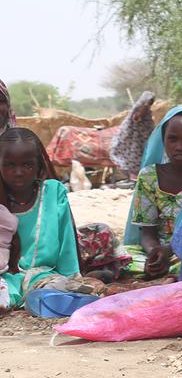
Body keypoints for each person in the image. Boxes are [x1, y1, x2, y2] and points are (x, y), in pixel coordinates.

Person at [0, 128, 94, 308]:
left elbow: (67, 242)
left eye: (27, 165)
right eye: (9, 165)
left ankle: (47, 299)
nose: (18, 172)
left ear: (39, 166)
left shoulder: (53, 192)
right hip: (4, 277)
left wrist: (72, 276)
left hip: (43, 276)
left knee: (53, 289)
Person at [123, 106, 182, 278]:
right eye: (172, 139)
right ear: (163, 139)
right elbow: (147, 233)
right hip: (156, 249)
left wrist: (170, 251)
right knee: (122, 257)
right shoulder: (149, 176)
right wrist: (155, 253)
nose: (179, 146)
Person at [109, 92, 157, 176]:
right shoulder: (141, 108)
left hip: (144, 137)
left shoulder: (145, 108)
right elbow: (136, 118)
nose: (151, 103)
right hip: (137, 137)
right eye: (150, 101)